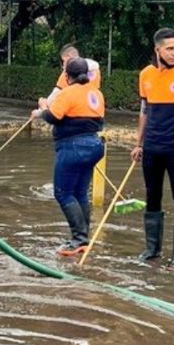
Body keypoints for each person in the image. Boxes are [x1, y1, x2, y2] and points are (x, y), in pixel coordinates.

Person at [131, 27, 174, 269]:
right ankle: (152, 250)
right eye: (169, 49)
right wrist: (138, 144)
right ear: (157, 49)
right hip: (152, 146)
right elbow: (144, 111)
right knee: (153, 196)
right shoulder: (146, 75)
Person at [31, 58, 105, 256]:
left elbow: (54, 116)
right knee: (80, 192)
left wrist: (40, 113)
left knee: (63, 193)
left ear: (66, 76)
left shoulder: (68, 93)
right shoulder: (96, 93)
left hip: (73, 147)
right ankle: (83, 238)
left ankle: (78, 238)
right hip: (95, 146)